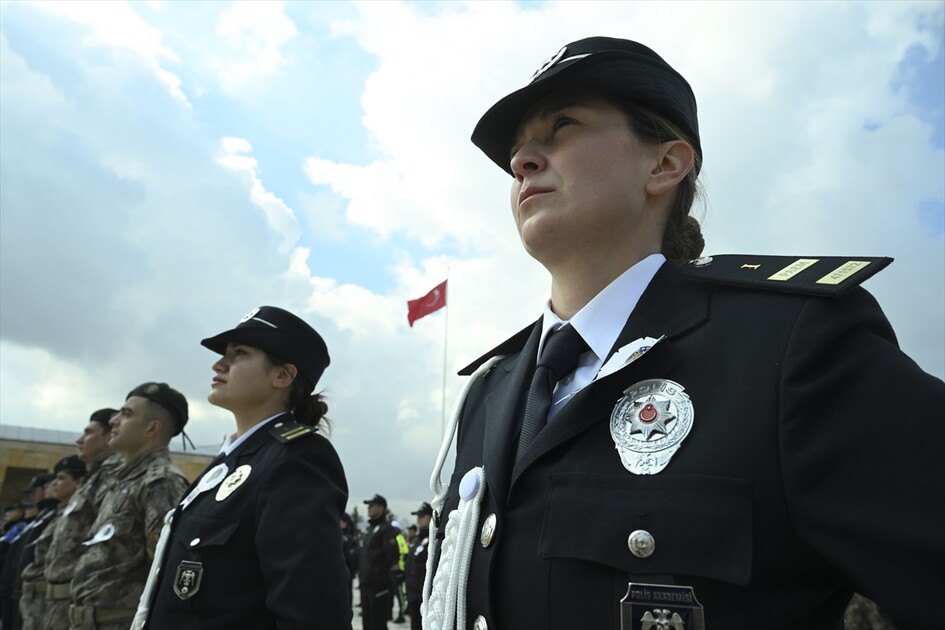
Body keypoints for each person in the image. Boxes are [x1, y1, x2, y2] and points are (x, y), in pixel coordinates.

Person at [423, 36, 945, 630]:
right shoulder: (488, 392)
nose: (523, 161)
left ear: (665, 164)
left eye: (563, 126)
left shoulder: (788, 349)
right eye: (518, 150)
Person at [136, 305, 351, 629]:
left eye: (240, 353)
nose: (219, 364)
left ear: (282, 375)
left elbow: (313, 615)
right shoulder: (228, 464)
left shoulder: (297, 459)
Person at [70, 384, 190, 630]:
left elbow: (163, 570)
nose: (113, 421)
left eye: (126, 414)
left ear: (152, 428)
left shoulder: (161, 482)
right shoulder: (122, 479)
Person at [43, 408, 121, 630]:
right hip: (60, 603)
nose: (79, 440)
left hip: (83, 604)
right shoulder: (93, 478)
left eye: (88, 433)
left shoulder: (114, 478)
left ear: (108, 436)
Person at [19, 456, 86, 630]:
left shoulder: (81, 514)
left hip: (61, 602)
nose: (54, 484)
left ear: (80, 481)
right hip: (41, 600)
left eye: (61, 478)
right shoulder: (59, 515)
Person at [0, 473, 55, 630]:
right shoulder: (39, 519)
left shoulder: (43, 519)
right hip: (14, 589)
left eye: (34, 491)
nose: (31, 496)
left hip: (30, 593)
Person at [359, 494, 400, 630]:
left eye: (372, 505)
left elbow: (392, 556)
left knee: (378, 623)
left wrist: (381, 573)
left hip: (379, 583)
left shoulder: (386, 530)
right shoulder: (370, 529)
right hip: (366, 582)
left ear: (381, 508)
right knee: (367, 622)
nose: (368, 508)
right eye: (368, 506)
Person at [404, 502, 431, 630]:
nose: (418, 518)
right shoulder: (415, 541)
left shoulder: (434, 541)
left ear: (431, 517)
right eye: (417, 516)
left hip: (425, 597)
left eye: (422, 515)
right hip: (413, 595)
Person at [341, 512, 360, 610]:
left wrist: (352, 570)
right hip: (341, 573)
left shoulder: (348, 539)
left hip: (345, 572)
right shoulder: (339, 536)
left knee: (346, 598)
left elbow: (353, 558)